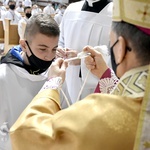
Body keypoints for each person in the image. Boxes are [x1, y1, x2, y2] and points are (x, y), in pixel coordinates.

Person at [9, 0, 150, 149]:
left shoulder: (98, 118)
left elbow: (25, 134)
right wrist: (106, 75)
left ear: (120, 48)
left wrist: (53, 83)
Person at [0, 13, 70, 150]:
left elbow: (65, 115)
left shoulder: (55, 74)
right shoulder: (4, 76)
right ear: (24, 45)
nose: (49, 57)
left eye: (54, 49)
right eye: (43, 49)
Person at [57, 0, 113, 103]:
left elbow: (119, 59)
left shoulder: (116, 14)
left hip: (98, 92)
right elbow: (61, 40)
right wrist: (59, 50)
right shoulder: (71, 10)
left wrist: (82, 60)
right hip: (69, 81)